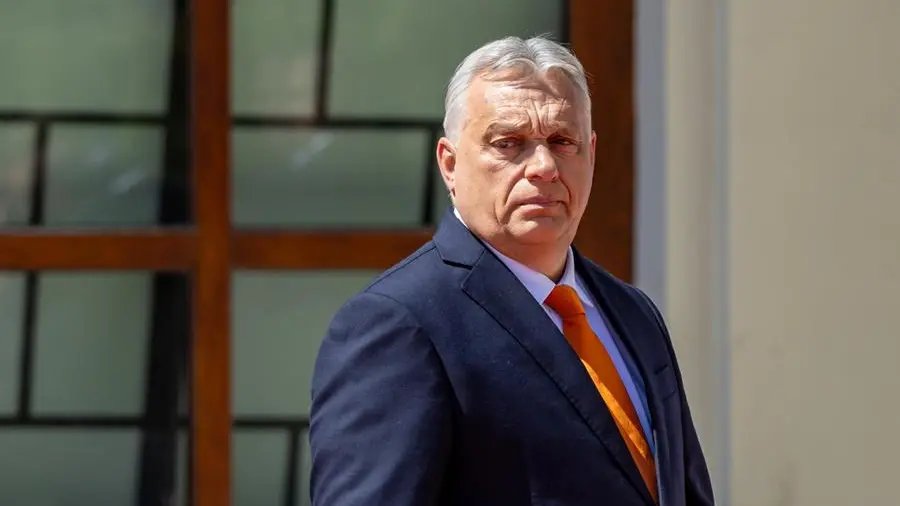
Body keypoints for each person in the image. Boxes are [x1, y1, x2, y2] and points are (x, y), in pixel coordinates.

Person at [309, 35, 714, 506]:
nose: (543, 166)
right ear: (449, 164)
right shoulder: (398, 324)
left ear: (591, 154)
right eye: (509, 143)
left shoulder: (633, 313)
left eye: (562, 141)